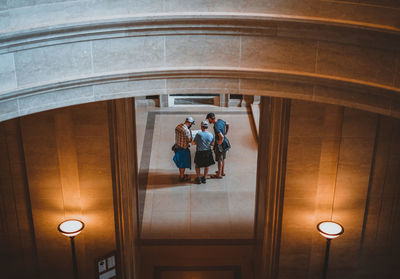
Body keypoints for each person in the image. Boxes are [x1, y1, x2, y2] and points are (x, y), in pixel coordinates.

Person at [206, 112, 230, 179]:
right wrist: (226, 133)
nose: (208, 121)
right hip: (225, 142)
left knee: (219, 159)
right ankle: (222, 171)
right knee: (223, 158)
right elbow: (228, 124)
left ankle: (218, 175)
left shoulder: (216, 126)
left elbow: (221, 137)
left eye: (208, 119)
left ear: (211, 118)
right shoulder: (220, 120)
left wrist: (219, 143)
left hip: (220, 144)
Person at [173, 116, 195, 182]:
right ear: (189, 123)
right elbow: (190, 140)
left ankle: (181, 175)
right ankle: (182, 177)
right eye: (191, 124)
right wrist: (191, 134)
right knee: (183, 163)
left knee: (180, 162)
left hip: (177, 146)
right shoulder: (186, 131)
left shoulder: (178, 126)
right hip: (183, 148)